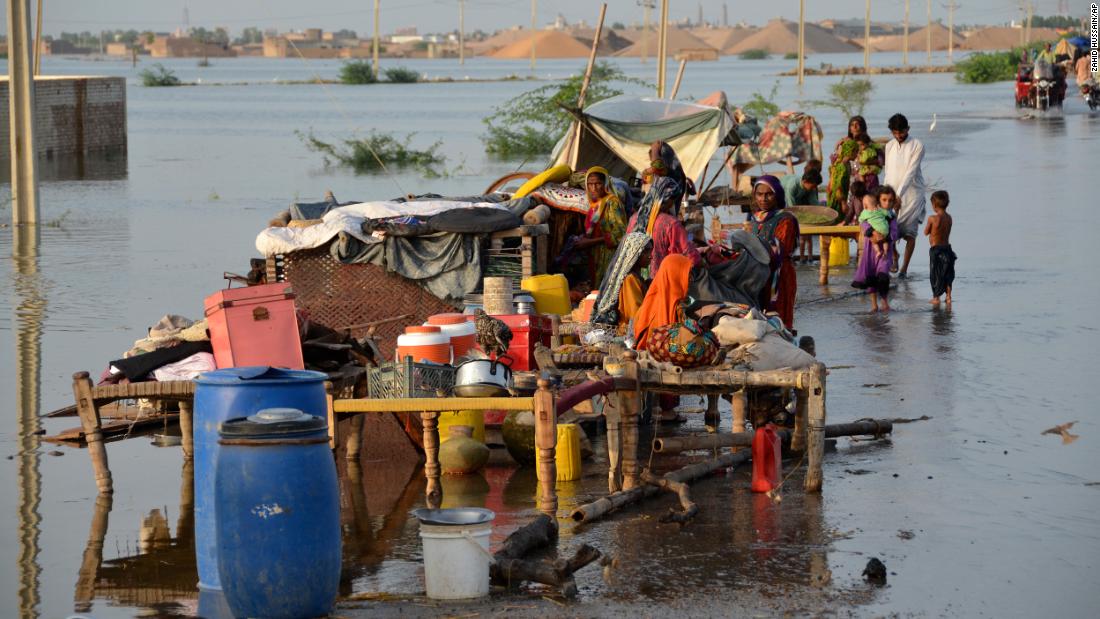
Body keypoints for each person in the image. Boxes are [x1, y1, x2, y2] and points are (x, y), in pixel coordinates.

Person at [748, 175, 799, 329]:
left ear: (777, 195)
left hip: (780, 275)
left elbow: (780, 248)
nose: (763, 199)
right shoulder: (755, 218)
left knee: (779, 317)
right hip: (759, 274)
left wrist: (752, 247)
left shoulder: (786, 219)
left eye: (769, 194)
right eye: (759, 194)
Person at [627, 176, 703, 277]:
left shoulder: (634, 219)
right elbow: (690, 255)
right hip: (661, 280)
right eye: (673, 200)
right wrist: (702, 262)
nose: (673, 204)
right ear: (667, 199)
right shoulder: (671, 224)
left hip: (635, 278)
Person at [883, 113, 926, 278]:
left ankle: (904, 270)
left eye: (901, 132)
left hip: (912, 195)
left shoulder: (917, 145)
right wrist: (886, 194)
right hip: (892, 195)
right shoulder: (889, 146)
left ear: (908, 129)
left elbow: (911, 172)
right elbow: (888, 172)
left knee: (909, 233)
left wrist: (899, 195)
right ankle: (894, 256)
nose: (898, 135)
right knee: (888, 230)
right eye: (895, 132)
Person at [574, 166, 627, 286]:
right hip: (595, 257)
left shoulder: (612, 203)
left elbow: (619, 235)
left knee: (606, 288)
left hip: (608, 257)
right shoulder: (594, 205)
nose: (593, 188)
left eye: (598, 184)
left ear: (605, 184)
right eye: (590, 184)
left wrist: (590, 242)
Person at [851, 192, 900, 313]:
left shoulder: (891, 216)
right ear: (878, 201)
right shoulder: (868, 213)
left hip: (885, 252)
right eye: (884, 200)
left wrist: (885, 237)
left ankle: (884, 302)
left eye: (890, 200)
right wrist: (873, 232)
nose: (887, 203)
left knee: (883, 275)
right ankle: (874, 305)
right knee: (871, 277)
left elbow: (894, 233)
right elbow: (863, 224)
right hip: (870, 252)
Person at [924, 190, 956, 307]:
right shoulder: (949, 218)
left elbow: (926, 232)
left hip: (936, 249)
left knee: (935, 273)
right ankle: (948, 297)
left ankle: (936, 297)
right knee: (948, 273)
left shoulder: (932, 218)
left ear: (934, 205)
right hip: (947, 248)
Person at [858, 191, 895, 260]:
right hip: (885, 230)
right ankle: (885, 252)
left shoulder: (865, 212)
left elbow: (860, 220)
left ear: (865, 206)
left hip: (876, 230)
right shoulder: (880, 209)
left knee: (874, 242)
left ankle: (878, 251)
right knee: (885, 241)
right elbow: (888, 214)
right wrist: (891, 216)